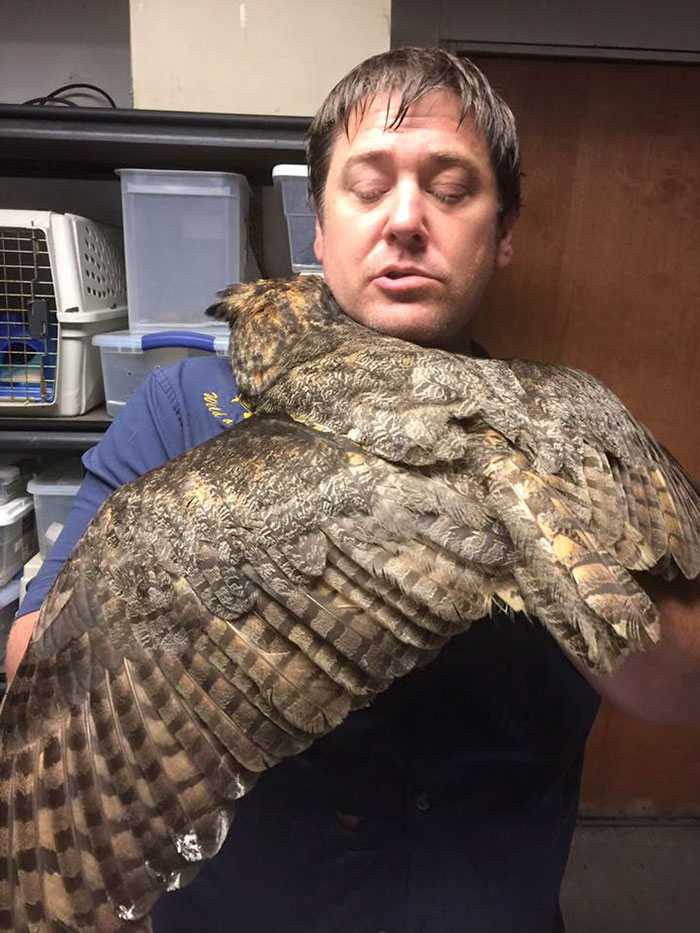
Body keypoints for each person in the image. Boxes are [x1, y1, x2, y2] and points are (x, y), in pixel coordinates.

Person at [6, 47, 699, 933]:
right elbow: (36, 664)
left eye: (451, 189)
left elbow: (690, 685)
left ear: (505, 231)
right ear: (320, 229)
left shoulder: (575, 419)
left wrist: (530, 520)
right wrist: (228, 575)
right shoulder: (188, 410)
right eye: (368, 187)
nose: (407, 219)